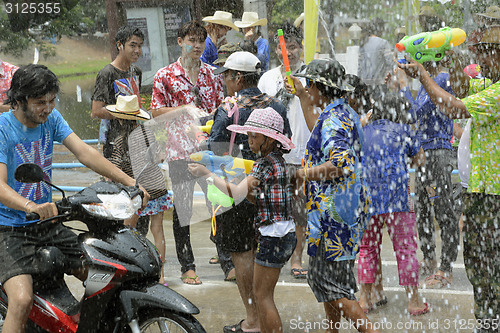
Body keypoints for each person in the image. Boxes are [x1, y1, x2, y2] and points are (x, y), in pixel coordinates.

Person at [0, 64, 149, 333]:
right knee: (21, 300)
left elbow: (84, 153)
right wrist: (30, 206)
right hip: (9, 229)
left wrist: (129, 182)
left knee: (104, 273)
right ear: (19, 100)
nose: (46, 108)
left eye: (51, 100)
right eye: (39, 102)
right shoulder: (2, 129)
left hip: (47, 223)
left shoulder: (52, 119)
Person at [396, 24, 499, 332]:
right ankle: (489, 320)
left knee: (487, 265)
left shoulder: (498, 92)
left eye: (485, 54)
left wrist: (424, 75)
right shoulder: (488, 84)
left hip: (492, 193)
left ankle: (490, 322)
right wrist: (440, 56)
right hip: (480, 189)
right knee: (479, 261)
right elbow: (461, 86)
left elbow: (452, 106)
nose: (480, 61)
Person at [290, 59, 378, 333]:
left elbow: (340, 165)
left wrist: (303, 174)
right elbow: (319, 128)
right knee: (334, 280)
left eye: (309, 85)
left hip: (334, 217)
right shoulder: (342, 113)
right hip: (345, 209)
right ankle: (332, 330)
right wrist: (302, 97)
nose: (307, 88)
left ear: (319, 87)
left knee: (326, 281)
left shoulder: (334, 119)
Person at [190, 106, 296, 333]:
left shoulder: (263, 165)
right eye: (247, 135)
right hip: (284, 233)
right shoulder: (278, 161)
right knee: (263, 294)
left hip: (273, 236)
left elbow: (236, 193)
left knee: (263, 297)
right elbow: (258, 196)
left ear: (268, 139)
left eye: (253, 136)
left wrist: (208, 175)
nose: (249, 140)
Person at [208, 51, 291, 333]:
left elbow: (215, 149)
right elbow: (285, 144)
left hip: (237, 189)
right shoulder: (276, 107)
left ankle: (254, 318)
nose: (225, 83)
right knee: (262, 252)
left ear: (238, 77)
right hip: (268, 194)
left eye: (227, 77)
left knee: (242, 253)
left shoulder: (229, 107)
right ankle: (265, 311)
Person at [150, 20, 224, 285]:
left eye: (200, 41)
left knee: (219, 203)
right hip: (179, 152)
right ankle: (188, 266)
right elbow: (156, 113)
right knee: (182, 211)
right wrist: (184, 109)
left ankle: (227, 261)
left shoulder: (213, 75)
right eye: (191, 40)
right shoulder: (165, 75)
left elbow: (220, 110)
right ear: (180, 42)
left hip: (208, 151)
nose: (196, 45)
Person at [354, 84, 429, 316]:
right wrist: (403, 165)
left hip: (368, 200)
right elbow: (421, 159)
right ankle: (414, 301)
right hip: (398, 199)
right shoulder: (403, 131)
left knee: (367, 249)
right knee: (405, 248)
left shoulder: (362, 131)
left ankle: (365, 299)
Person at [393, 51, 459, 289]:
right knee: (423, 208)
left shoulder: (439, 79)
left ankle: (446, 268)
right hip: (424, 155)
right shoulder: (425, 81)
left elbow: (414, 114)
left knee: (442, 209)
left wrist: (403, 85)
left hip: (437, 153)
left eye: (414, 57)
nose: (410, 62)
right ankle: (430, 259)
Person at [258, 22, 310, 279]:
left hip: (303, 152)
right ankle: (275, 254)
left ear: (301, 47)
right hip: (276, 156)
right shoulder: (267, 79)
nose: (290, 52)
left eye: (294, 47)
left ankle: (298, 257)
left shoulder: (310, 75)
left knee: (300, 209)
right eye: (284, 48)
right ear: (278, 51)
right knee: (277, 208)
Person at [106, 94, 173, 285]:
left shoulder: (120, 141)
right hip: (157, 187)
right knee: (158, 231)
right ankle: (160, 276)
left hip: (138, 190)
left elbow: (114, 168)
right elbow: (159, 156)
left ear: (119, 117)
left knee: (128, 230)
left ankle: (131, 270)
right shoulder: (147, 133)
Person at [91, 25, 144, 159]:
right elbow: (96, 111)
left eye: (140, 46)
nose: (137, 50)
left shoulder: (136, 72)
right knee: (116, 179)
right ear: (119, 45)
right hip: (114, 141)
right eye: (132, 45)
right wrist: (124, 113)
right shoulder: (107, 73)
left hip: (135, 140)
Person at [358, 18, 394, 86]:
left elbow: (360, 67)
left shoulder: (363, 43)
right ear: (381, 29)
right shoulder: (383, 43)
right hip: (379, 84)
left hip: (364, 84)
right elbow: (390, 62)